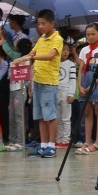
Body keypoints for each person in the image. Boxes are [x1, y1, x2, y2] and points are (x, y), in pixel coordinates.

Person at [13, 9, 64, 159]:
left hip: (49, 83)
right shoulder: (41, 38)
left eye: (43, 23)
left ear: (52, 23)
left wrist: (24, 59)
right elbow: (32, 54)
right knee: (40, 115)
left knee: (50, 116)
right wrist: (23, 60)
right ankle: (43, 145)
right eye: (39, 23)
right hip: (37, 81)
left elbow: (50, 56)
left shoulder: (57, 39)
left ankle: (51, 146)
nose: (40, 26)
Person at [76, 23, 98, 154]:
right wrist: (80, 85)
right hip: (85, 81)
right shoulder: (84, 50)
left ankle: (97, 142)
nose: (90, 37)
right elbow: (80, 68)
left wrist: (93, 85)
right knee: (87, 111)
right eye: (88, 35)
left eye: (93, 34)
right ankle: (87, 141)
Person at [56, 38, 77, 149]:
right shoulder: (54, 63)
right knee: (57, 118)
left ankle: (66, 139)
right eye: (62, 50)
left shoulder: (71, 64)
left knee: (66, 118)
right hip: (55, 92)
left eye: (67, 50)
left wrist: (71, 94)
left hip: (66, 92)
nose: (65, 52)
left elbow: (73, 80)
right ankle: (58, 138)